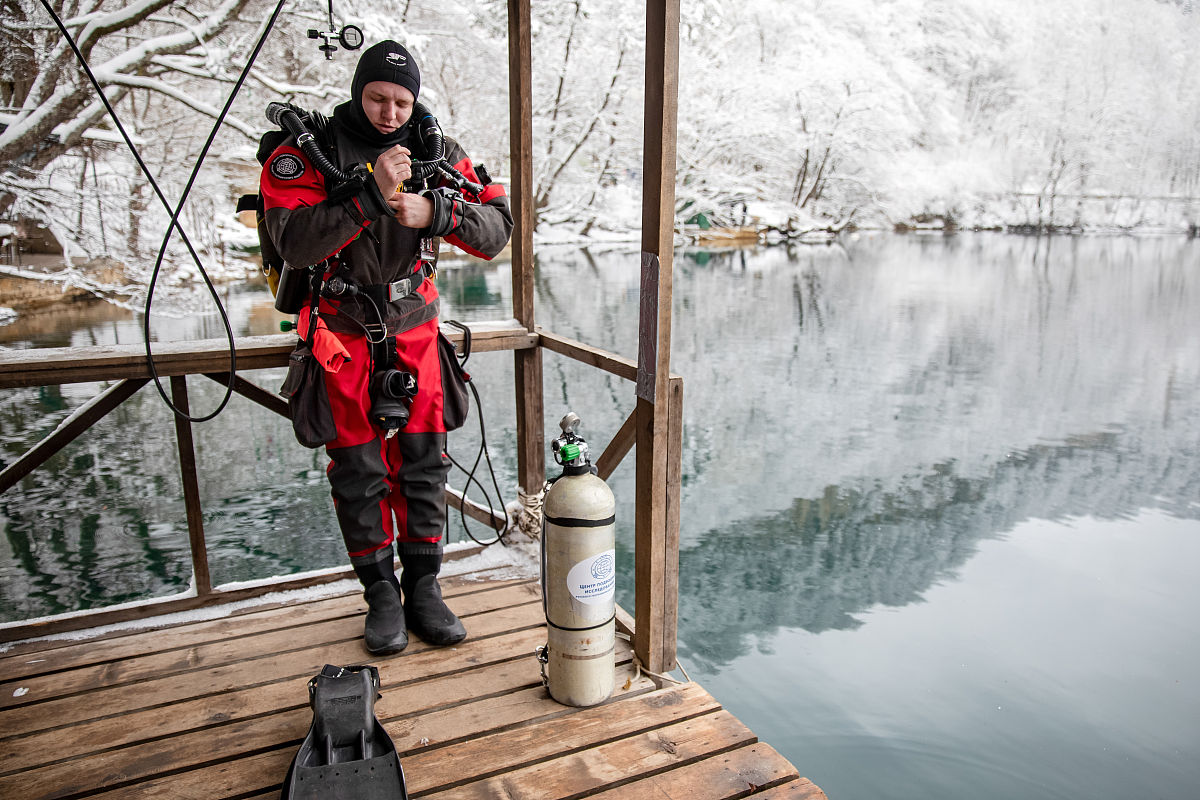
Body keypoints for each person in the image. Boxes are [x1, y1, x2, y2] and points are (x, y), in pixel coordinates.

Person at [259, 40, 513, 654]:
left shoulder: (437, 150)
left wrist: (437, 215)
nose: (390, 113)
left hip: (415, 327)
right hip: (340, 331)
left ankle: (424, 587)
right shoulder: (305, 152)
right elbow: (295, 242)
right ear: (358, 90)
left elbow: (498, 228)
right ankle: (380, 594)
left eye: (402, 101)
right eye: (377, 98)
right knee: (359, 470)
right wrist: (371, 194)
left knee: (424, 464)